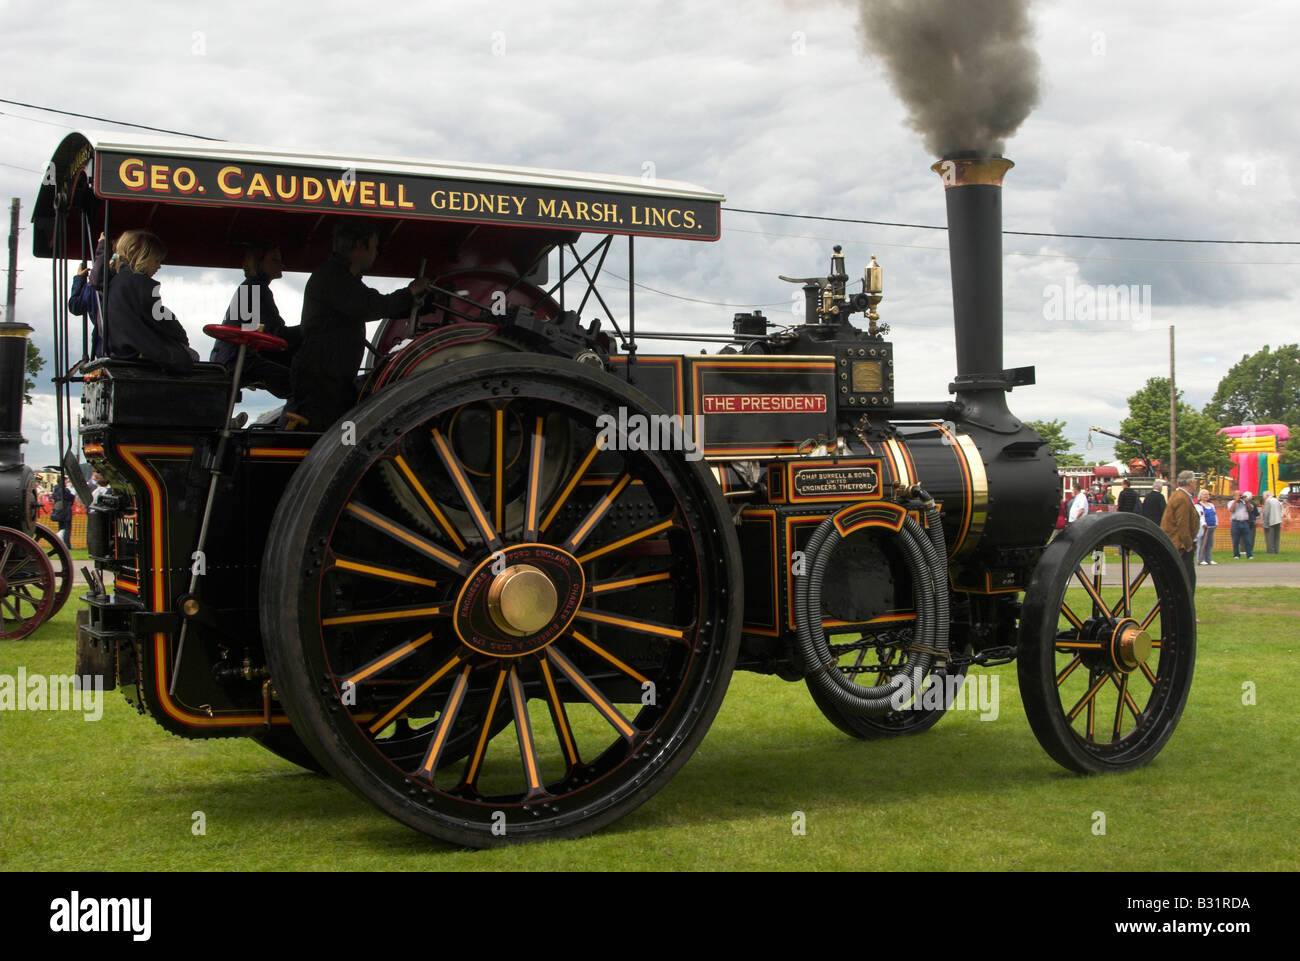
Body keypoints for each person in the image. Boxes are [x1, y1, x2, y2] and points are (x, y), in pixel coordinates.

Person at [287, 220, 429, 429]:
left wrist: (421, 304)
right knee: (322, 438)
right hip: (323, 382)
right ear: (360, 246)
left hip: (330, 377)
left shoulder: (340, 277)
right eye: (374, 247)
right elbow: (370, 305)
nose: (376, 253)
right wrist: (410, 293)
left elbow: (374, 304)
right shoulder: (333, 277)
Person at [210, 242, 299, 398]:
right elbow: (276, 332)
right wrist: (309, 330)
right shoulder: (256, 289)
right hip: (239, 360)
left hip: (230, 357)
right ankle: (292, 420)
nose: (281, 264)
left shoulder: (249, 287)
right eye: (274, 260)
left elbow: (255, 328)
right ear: (259, 263)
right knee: (300, 383)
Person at [103, 230, 199, 373]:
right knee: (192, 356)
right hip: (138, 350)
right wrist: (181, 336)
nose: (159, 266)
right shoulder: (140, 283)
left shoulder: (115, 281)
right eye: (156, 261)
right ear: (142, 257)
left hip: (121, 349)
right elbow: (159, 318)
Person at [1161, 470, 1200, 590]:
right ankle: (1186, 607)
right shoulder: (1181, 498)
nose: (1196, 484)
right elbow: (1182, 524)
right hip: (1180, 545)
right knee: (1187, 579)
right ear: (1190, 482)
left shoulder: (1182, 496)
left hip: (1180, 543)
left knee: (1186, 578)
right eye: (1194, 481)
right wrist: (1188, 544)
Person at [1228, 490, 1256, 559]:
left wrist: (1246, 501)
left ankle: (1249, 555)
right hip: (1235, 523)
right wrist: (1236, 501)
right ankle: (1236, 555)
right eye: (1238, 495)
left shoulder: (1244, 502)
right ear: (1234, 496)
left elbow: (1251, 509)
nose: (1239, 496)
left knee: (1247, 540)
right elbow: (1231, 509)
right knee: (1235, 540)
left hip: (1244, 522)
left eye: (1240, 495)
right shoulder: (1231, 502)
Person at [50, 481, 76, 548]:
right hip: (66, 511)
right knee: (67, 528)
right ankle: (67, 545)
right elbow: (71, 497)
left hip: (58, 511)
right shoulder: (65, 490)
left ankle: (60, 543)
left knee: (61, 528)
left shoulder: (56, 489)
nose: (67, 482)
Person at [1197, 489, 1218, 565]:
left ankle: (1209, 559)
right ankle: (1201, 559)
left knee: (1209, 543)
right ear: (1200, 496)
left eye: (1207, 494)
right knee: (1202, 543)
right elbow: (1200, 516)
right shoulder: (1198, 505)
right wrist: (1203, 523)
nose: (1206, 496)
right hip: (1204, 528)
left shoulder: (1211, 505)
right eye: (1204, 494)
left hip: (1212, 527)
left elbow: (1214, 514)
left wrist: (1216, 523)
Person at [1261, 490, 1284, 554]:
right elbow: (1281, 509)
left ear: (1266, 495)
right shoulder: (1276, 500)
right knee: (1276, 537)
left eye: (1264, 496)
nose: (1263, 497)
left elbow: (1266, 513)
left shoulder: (1268, 501)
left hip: (1271, 521)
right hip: (1278, 521)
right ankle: (1276, 550)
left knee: (1269, 537)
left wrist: (1265, 523)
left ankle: (1270, 551)